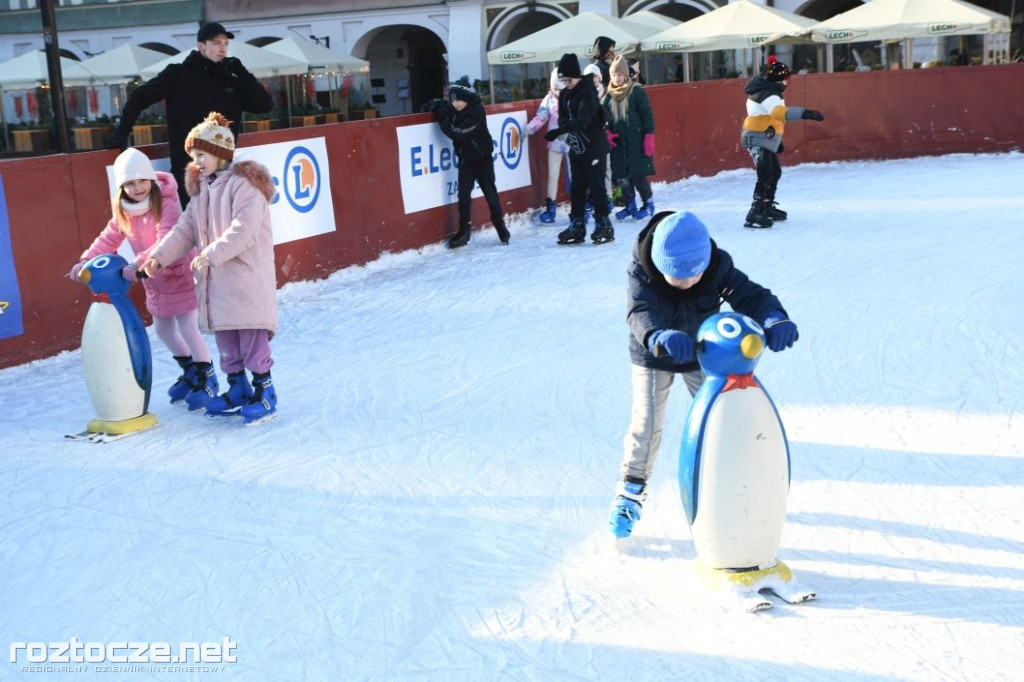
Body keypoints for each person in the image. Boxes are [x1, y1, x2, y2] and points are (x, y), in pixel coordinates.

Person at [608, 210, 799, 538]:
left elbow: (751, 295)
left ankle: (735, 482)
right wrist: (658, 336)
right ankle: (631, 491)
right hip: (654, 352)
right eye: (677, 278)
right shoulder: (642, 269)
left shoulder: (716, 265)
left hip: (702, 354)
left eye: (693, 276)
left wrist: (774, 317)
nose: (686, 284)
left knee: (723, 417)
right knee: (647, 424)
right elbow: (639, 311)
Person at [140, 112, 279, 426]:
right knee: (227, 342)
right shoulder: (202, 190)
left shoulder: (246, 186)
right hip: (217, 281)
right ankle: (238, 389)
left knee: (251, 338)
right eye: (194, 155)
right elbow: (183, 229)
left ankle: (264, 392)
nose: (197, 161)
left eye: (201, 154)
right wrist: (158, 256)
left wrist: (210, 255)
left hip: (245, 278)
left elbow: (244, 230)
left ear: (219, 153)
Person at [68, 148, 217, 411]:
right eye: (130, 183)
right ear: (121, 187)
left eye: (142, 181)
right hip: (155, 282)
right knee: (162, 329)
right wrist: (85, 261)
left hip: (178, 274)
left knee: (188, 327)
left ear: (151, 179)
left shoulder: (166, 203)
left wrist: (138, 262)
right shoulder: (124, 211)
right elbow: (109, 238)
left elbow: (167, 239)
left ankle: (208, 377)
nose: (137, 188)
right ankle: (190, 370)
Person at [108, 22, 274, 207]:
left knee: (225, 230)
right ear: (201, 46)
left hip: (223, 171)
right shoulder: (178, 74)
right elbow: (139, 97)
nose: (222, 48)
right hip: (190, 172)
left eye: (225, 43)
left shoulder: (231, 81)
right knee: (201, 230)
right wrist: (121, 135)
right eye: (216, 42)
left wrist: (241, 71)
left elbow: (265, 105)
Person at [423, 76, 509, 249]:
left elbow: (458, 133)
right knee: (463, 196)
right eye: (453, 100)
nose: (455, 104)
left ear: (466, 98)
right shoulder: (456, 107)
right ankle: (464, 231)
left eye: (458, 100)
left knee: (490, 193)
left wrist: (442, 120)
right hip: (466, 160)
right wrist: (435, 105)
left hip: (482, 159)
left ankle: (499, 225)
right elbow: (445, 107)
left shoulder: (476, 111)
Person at [739, 55, 825, 228]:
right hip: (757, 137)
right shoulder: (768, 92)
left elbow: (769, 117)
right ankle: (755, 212)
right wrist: (806, 113)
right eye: (786, 79)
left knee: (774, 172)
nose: (787, 82)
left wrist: (776, 142)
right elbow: (778, 112)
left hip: (764, 137)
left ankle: (766, 206)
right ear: (780, 79)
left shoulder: (767, 89)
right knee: (765, 174)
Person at [544, 53, 614, 246]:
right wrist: (563, 127)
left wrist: (560, 130)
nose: (566, 83)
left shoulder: (587, 92)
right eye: (563, 80)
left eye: (569, 79)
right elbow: (563, 117)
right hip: (576, 148)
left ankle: (603, 223)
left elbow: (583, 120)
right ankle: (577, 224)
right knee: (577, 188)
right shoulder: (565, 94)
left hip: (594, 147)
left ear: (576, 75)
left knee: (597, 186)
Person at [604, 55, 656, 222]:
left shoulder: (637, 92)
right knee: (622, 176)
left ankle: (648, 203)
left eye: (619, 75)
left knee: (638, 175)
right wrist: (607, 133)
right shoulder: (609, 96)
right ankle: (630, 204)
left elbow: (647, 114)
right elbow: (603, 118)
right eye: (613, 75)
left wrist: (649, 135)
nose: (617, 78)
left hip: (636, 142)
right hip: (619, 145)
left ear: (626, 75)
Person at [525, 67, 569, 224]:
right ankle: (550, 208)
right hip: (555, 143)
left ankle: (581, 206)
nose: (557, 92)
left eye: (560, 88)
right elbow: (541, 117)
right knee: (553, 175)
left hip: (573, 143)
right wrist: (529, 129)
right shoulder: (549, 99)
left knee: (576, 175)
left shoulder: (572, 98)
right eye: (554, 88)